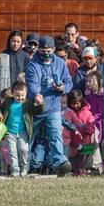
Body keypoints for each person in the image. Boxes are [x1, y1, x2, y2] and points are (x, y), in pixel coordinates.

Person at [25, 35, 73, 175]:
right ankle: (23, 165)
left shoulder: (60, 63)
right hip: (36, 108)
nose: (46, 54)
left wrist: (63, 88)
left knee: (55, 135)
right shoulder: (33, 64)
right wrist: (36, 95)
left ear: (53, 49)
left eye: (49, 51)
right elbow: (32, 83)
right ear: (39, 50)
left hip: (53, 107)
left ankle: (61, 164)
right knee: (29, 137)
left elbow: (69, 82)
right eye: (43, 51)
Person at [0, 81, 43, 177]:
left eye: (22, 95)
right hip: (9, 132)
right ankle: (15, 170)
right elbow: (0, 108)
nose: (20, 98)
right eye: (17, 95)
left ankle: (24, 167)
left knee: (23, 149)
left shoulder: (28, 103)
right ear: (12, 93)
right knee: (12, 152)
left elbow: (37, 111)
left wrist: (39, 104)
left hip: (23, 132)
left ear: (26, 94)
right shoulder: (8, 102)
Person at [66, 90, 96, 176]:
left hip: (85, 139)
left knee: (84, 156)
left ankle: (82, 169)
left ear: (81, 101)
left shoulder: (87, 112)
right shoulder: (69, 112)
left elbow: (91, 122)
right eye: (73, 104)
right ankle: (75, 171)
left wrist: (88, 130)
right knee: (74, 157)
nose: (75, 106)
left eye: (77, 103)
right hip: (73, 140)